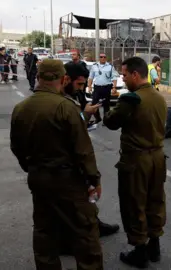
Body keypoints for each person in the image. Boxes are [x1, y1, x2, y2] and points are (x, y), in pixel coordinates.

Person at [10, 59, 103, 270]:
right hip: (67, 180)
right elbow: (83, 151)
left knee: (45, 231)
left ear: (38, 77)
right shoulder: (66, 108)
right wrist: (94, 179)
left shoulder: (20, 108)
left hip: (38, 177)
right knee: (85, 231)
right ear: (63, 79)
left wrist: (32, 167)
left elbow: (17, 147)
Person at [103, 57, 167, 268]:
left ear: (135, 75)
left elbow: (112, 123)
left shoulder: (132, 99)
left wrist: (105, 111)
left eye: (124, 75)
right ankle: (154, 246)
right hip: (158, 157)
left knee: (134, 204)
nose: (122, 78)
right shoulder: (158, 97)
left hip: (137, 160)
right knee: (155, 201)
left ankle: (140, 251)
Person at [60, 62, 120, 245]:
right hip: (66, 162)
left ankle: (94, 224)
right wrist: (84, 115)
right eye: (79, 84)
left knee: (85, 199)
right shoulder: (59, 102)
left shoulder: (74, 94)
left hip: (73, 157)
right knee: (72, 203)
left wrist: (87, 113)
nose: (81, 88)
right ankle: (74, 240)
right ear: (66, 79)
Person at [87, 53, 118, 124]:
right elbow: (91, 77)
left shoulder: (110, 66)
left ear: (106, 58)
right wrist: (89, 86)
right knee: (94, 103)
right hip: (97, 87)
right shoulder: (94, 66)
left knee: (106, 104)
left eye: (104, 57)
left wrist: (114, 87)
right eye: (101, 57)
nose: (103, 58)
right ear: (99, 58)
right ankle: (98, 118)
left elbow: (114, 77)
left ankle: (105, 120)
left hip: (106, 87)